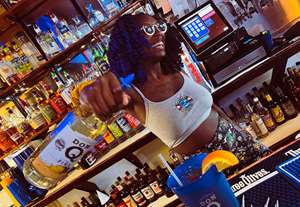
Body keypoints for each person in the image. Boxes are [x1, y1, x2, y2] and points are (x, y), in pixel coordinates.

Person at [80, 13, 268, 165]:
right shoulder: (130, 92)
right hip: (207, 167)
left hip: (237, 140)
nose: (158, 33)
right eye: (148, 30)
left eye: (160, 27)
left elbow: (213, 110)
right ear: (129, 41)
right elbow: (86, 105)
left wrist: (244, 135)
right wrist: (87, 95)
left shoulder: (173, 69)